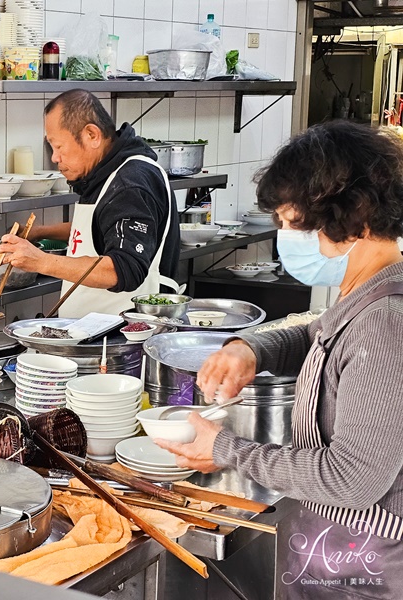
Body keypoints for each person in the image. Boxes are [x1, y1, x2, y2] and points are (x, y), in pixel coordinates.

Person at [155, 120, 403, 599]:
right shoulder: (369, 293)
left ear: (349, 215)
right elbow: (317, 336)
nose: (286, 236)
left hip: (362, 568)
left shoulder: (387, 323)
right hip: (334, 551)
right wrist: (251, 349)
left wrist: (226, 450)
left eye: (293, 222)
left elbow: (353, 479)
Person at [0, 89, 180, 318]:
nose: (54, 157)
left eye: (59, 146)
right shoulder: (106, 172)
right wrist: (38, 233)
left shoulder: (131, 182)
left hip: (125, 339)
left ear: (92, 135)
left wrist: (41, 261)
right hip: (93, 334)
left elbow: (123, 270)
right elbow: (99, 229)